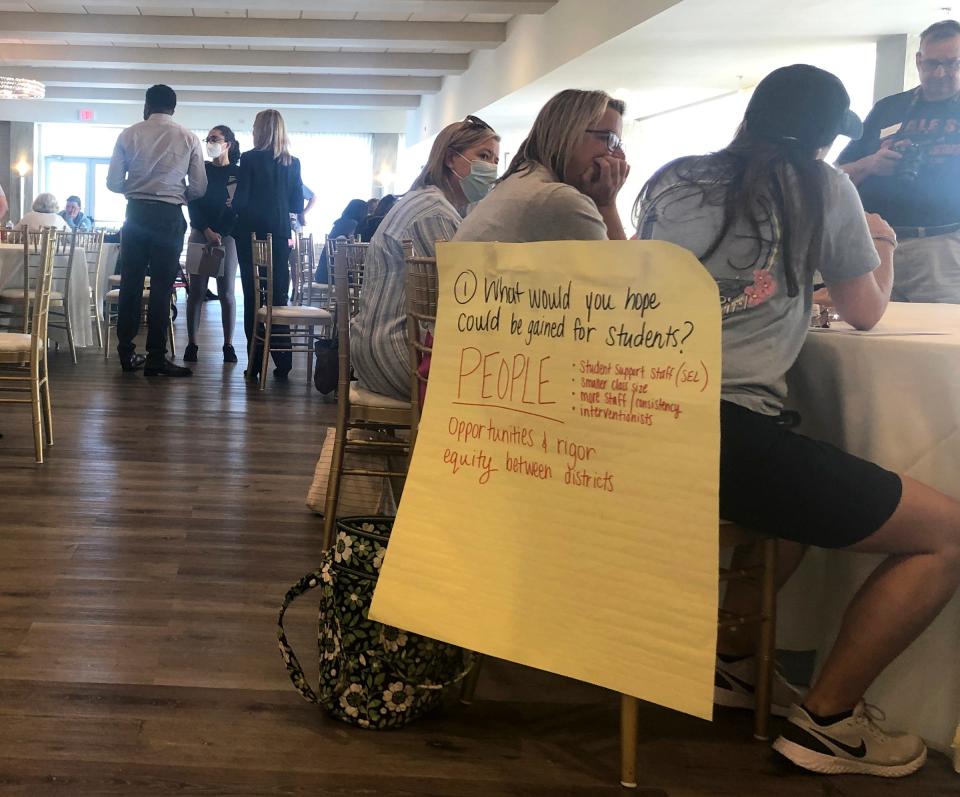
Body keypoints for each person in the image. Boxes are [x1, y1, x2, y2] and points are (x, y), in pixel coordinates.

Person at [635, 64, 960, 778]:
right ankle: (832, 718)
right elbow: (868, 310)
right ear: (822, 136)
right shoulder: (823, 185)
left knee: (800, 492)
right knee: (947, 533)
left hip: (642, 423)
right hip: (727, 437)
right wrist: (885, 241)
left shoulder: (672, 179)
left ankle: (731, 661)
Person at [350, 115, 500, 400]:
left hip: (377, 348)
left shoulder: (430, 201)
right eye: (483, 155)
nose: (491, 168)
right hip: (397, 354)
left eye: (494, 159)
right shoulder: (433, 211)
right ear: (450, 159)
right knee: (503, 388)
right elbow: (461, 296)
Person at [838, 20, 960, 302]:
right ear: (918, 61)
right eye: (932, 64)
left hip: (943, 247)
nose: (941, 73)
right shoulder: (888, 108)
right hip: (875, 245)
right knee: (867, 332)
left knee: (941, 337)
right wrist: (871, 163)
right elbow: (837, 176)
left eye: (953, 63)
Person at [107, 84, 206, 377]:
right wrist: (173, 195)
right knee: (163, 287)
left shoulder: (128, 134)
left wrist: (137, 190)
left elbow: (113, 183)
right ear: (174, 108)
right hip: (168, 215)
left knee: (131, 284)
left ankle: (126, 353)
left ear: (147, 105)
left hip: (135, 213)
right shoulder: (188, 137)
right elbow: (199, 187)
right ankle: (155, 358)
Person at [455, 88, 630, 243]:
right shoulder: (559, 199)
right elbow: (627, 277)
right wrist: (606, 204)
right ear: (568, 135)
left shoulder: (520, 181)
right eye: (610, 139)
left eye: (619, 143)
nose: (620, 155)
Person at [232, 108, 303, 382]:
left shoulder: (249, 159)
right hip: (280, 234)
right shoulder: (293, 163)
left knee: (254, 296)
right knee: (277, 297)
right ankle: (283, 359)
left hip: (250, 235)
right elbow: (297, 204)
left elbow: (241, 201)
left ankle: (255, 361)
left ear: (260, 130)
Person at [185, 124, 241, 364]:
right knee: (196, 291)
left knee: (226, 291)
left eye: (215, 139)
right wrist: (207, 230)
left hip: (227, 237)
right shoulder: (202, 170)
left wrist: (221, 233)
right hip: (201, 233)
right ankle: (192, 343)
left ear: (227, 143)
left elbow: (237, 207)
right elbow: (193, 201)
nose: (210, 142)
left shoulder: (237, 174)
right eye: (208, 138)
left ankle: (228, 344)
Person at [314, 198, 369, 284]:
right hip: (335, 276)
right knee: (365, 279)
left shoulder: (341, 222)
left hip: (324, 273)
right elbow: (351, 252)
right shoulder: (351, 224)